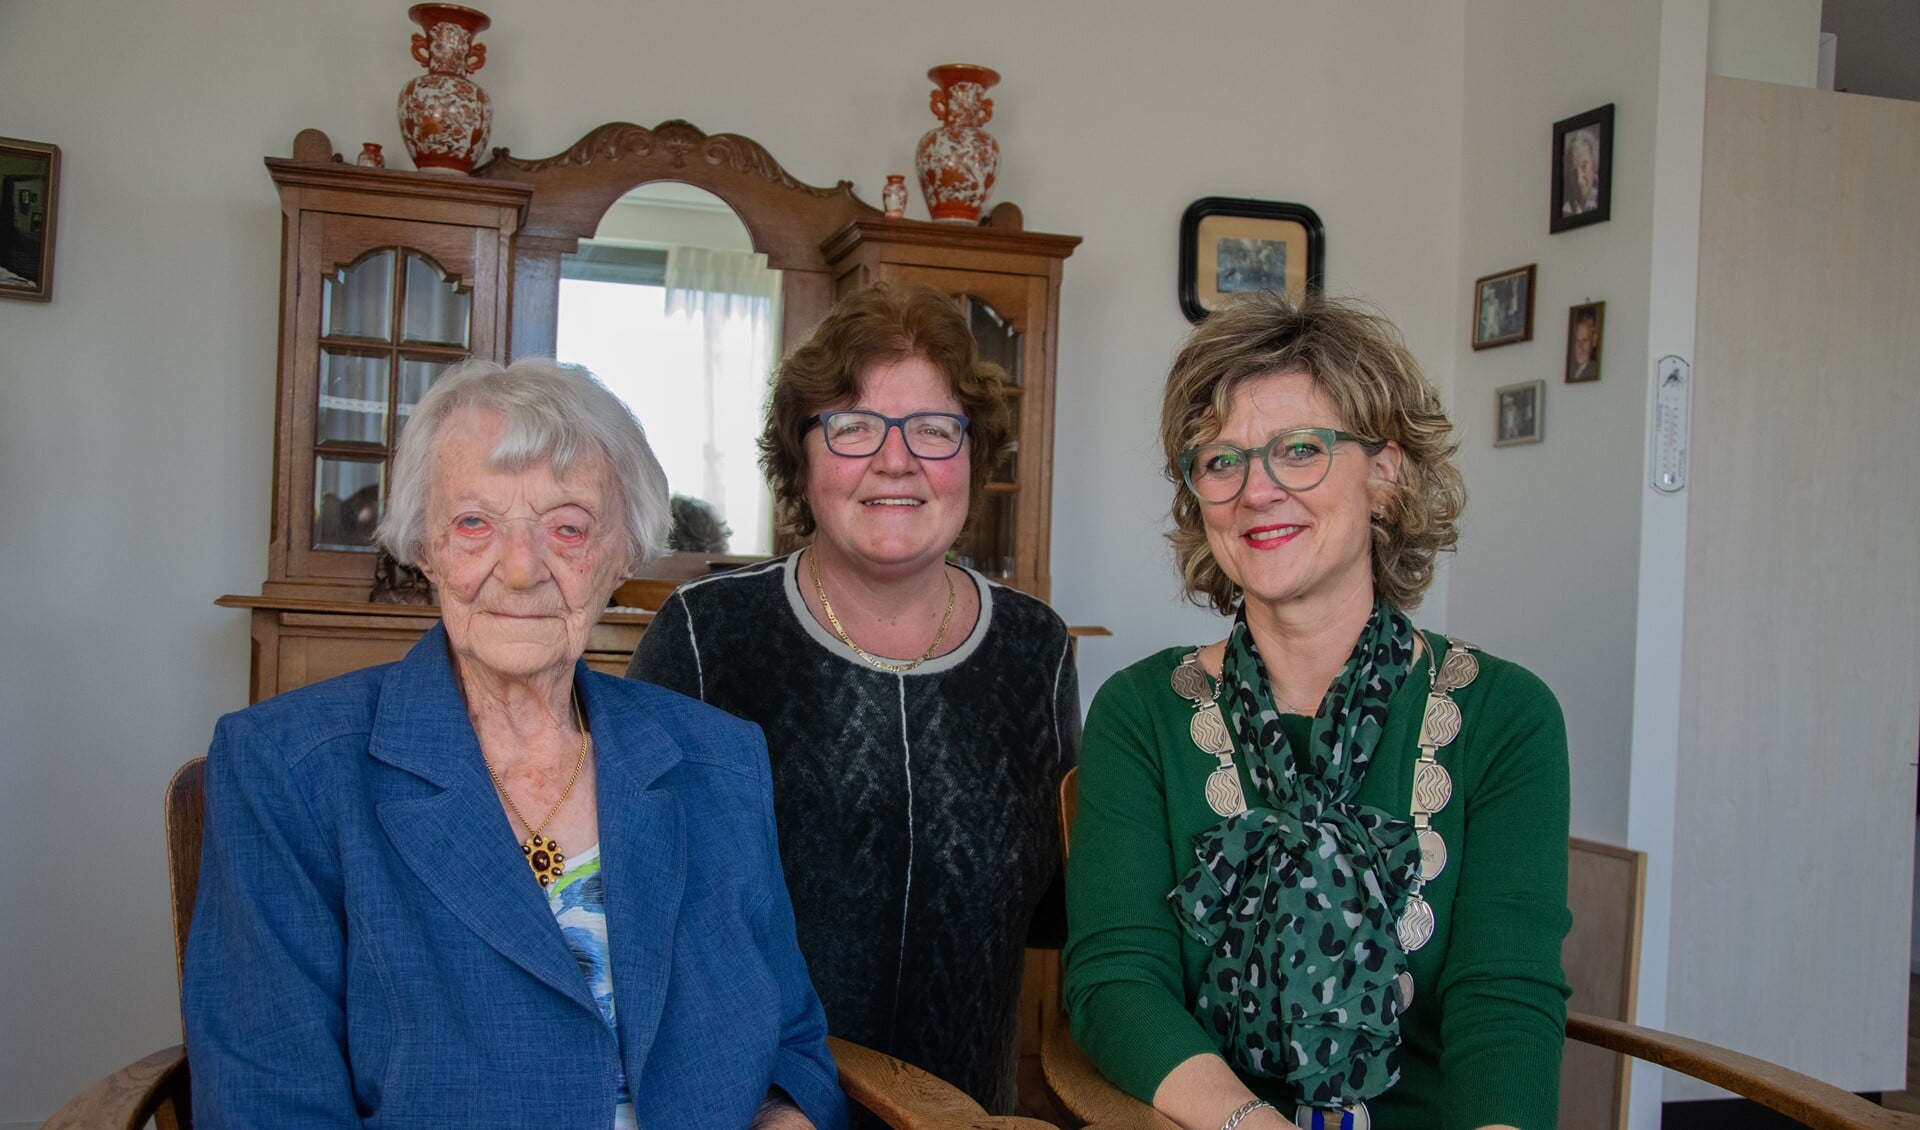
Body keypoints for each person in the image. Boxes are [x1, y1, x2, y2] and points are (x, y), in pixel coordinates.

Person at [184, 358, 847, 1130]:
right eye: (475, 524)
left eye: (567, 526)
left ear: (620, 553)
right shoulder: (287, 771)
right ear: (424, 546)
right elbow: (267, 1102)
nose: (522, 568)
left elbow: (792, 1046)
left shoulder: (715, 761)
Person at [1064, 292, 1569, 1130]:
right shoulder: (1140, 712)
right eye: (1221, 461)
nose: (1256, 491)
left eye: (1299, 450)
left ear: (1385, 470)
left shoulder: (1505, 715)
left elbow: (1505, 1002)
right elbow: (1116, 981)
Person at [628, 283, 1080, 1120]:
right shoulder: (705, 636)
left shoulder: (1037, 649)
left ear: (974, 455)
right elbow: (638, 919)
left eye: (934, 429)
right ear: (799, 458)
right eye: (853, 425)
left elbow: (1053, 918)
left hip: (965, 1118)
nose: (896, 459)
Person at [1562, 128, 1601, 216]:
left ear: (1594, 165)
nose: (1579, 180)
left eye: (1584, 167)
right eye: (1573, 171)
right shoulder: (1565, 208)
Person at [1568, 306, 1601, 381]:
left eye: (1585, 340)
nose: (1580, 347)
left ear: (1594, 341)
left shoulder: (1594, 370)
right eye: (1577, 341)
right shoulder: (1571, 370)